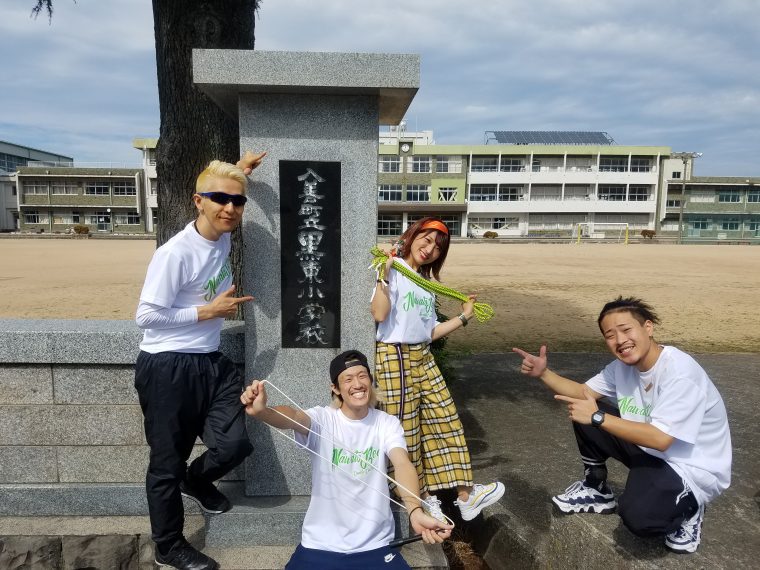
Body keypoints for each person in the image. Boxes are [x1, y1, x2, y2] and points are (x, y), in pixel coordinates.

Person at [513, 296, 731, 553]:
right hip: (650, 451)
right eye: (610, 335)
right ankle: (596, 487)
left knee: (639, 519)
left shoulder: (680, 372)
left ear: (648, 328)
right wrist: (544, 374)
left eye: (627, 330)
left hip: (690, 469)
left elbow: (662, 439)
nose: (620, 340)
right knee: (584, 407)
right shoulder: (621, 367)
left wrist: (598, 417)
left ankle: (691, 508)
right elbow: (583, 392)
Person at [134, 151, 266, 570]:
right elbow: (145, 316)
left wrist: (240, 171)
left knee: (235, 443)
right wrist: (206, 312)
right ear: (198, 201)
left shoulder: (222, 234)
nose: (229, 208)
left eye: (237, 201)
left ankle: (198, 480)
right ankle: (168, 546)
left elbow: (228, 185)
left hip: (211, 362)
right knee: (166, 464)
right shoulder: (175, 254)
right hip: (167, 368)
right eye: (219, 199)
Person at [241, 350, 453, 569]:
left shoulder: (387, 423)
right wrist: (262, 411)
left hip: (375, 544)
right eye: (348, 379)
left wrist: (414, 510)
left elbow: (402, 463)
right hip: (320, 545)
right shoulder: (323, 418)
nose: (357, 384)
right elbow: (292, 417)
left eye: (362, 376)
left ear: (370, 380)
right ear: (336, 388)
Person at [370, 217, 505, 522]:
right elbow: (379, 314)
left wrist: (465, 318)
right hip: (395, 356)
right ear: (413, 236)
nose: (429, 249)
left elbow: (428, 331)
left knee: (444, 419)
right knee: (407, 431)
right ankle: (421, 498)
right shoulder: (390, 268)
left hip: (422, 354)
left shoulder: (426, 284)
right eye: (426, 239)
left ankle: (466, 495)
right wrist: (384, 275)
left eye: (437, 246)